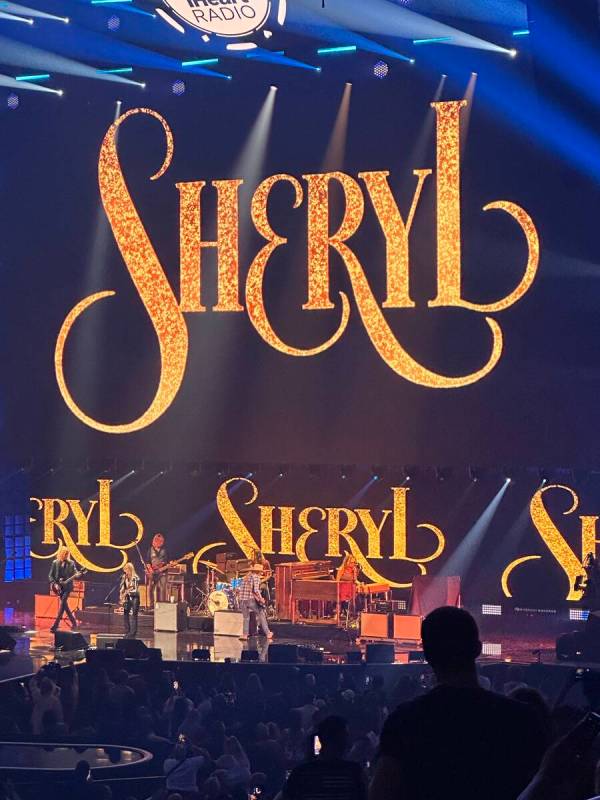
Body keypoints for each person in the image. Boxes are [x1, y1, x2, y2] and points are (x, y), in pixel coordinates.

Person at [369, 606, 546, 800]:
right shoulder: (520, 718)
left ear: (426, 655)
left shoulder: (404, 720)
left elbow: (381, 792)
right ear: (477, 649)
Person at [281, 715, 366, 800]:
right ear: (341, 740)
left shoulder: (300, 773)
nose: (348, 741)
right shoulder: (354, 772)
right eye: (346, 736)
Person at [48, 547, 80, 633]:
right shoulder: (55, 563)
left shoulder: (71, 563)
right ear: (61, 554)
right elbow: (50, 575)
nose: (66, 555)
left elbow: (76, 572)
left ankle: (55, 624)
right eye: (64, 554)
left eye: (67, 554)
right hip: (58, 587)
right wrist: (54, 583)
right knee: (65, 606)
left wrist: (77, 575)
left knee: (62, 605)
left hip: (68, 587)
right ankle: (74, 622)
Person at [238, 563, 273, 640]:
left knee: (246, 618)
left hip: (241, 600)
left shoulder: (246, 577)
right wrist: (261, 599)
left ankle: (244, 635)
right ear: (259, 572)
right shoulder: (256, 577)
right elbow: (256, 590)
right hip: (250, 600)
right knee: (261, 614)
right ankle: (268, 633)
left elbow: (241, 589)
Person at [146, 533, 169, 606]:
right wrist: (150, 569)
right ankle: (151, 605)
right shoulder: (150, 550)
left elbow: (165, 562)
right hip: (152, 573)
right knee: (150, 589)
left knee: (162, 589)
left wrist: (158, 567)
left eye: (157, 541)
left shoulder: (164, 551)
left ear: (161, 542)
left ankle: (162, 605)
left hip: (162, 573)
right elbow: (148, 562)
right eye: (154, 540)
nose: (154, 542)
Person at [120, 561, 140, 637]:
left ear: (130, 569)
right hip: (127, 598)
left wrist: (126, 592)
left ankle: (133, 632)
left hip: (134, 597)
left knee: (134, 615)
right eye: (124, 569)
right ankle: (127, 630)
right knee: (125, 613)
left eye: (126, 569)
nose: (125, 571)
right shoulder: (124, 577)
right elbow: (122, 587)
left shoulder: (135, 578)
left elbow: (134, 588)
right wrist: (121, 594)